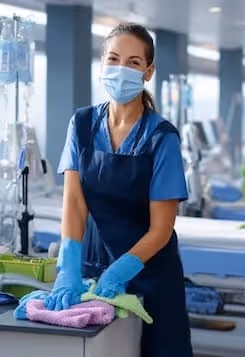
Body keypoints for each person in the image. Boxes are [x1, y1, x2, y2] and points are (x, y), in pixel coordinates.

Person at [26, 23, 193, 357]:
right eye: (114, 59)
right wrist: (68, 267)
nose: (121, 69)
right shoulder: (83, 123)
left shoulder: (161, 137)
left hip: (149, 271)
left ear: (148, 72)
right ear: (102, 64)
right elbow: (74, 203)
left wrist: (122, 270)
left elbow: (162, 228)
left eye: (133, 62)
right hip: (91, 264)